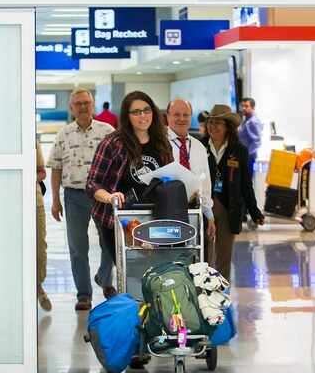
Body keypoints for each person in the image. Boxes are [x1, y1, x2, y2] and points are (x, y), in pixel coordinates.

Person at [86, 91, 174, 270]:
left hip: (156, 217)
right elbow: (92, 183)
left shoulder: (162, 143)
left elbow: (170, 175)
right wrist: (111, 197)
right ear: (127, 116)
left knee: (156, 272)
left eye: (146, 110)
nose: (143, 116)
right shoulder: (113, 143)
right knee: (130, 273)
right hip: (120, 220)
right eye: (136, 112)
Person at [48, 88, 116, 311]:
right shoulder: (63, 135)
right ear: (71, 108)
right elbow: (56, 168)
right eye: (78, 103)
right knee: (78, 248)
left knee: (109, 243)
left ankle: (105, 280)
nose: (83, 106)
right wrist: (56, 200)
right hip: (74, 196)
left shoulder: (108, 132)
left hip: (103, 196)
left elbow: (119, 165)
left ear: (93, 105)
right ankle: (84, 295)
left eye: (87, 102)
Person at [201, 104, 265, 281]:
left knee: (224, 256)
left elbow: (246, 184)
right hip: (203, 207)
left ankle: (221, 295)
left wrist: (254, 211)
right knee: (204, 254)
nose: (213, 126)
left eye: (218, 123)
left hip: (229, 208)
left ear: (228, 126)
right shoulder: (199, 146)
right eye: (210, 122)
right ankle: (203, 294)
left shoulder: (239, 150)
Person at [166, 98, 217, 241]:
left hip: (194, 211)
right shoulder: (159, 144)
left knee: (194, 258)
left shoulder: (198, 147)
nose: (181, 119)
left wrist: (209, 215)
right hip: (167, 211)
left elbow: (205, 183)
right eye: (176, 114)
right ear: (167, 116)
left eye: (186, 115)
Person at [35, 139, 51, 312]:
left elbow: (41, 172)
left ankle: (38, 286)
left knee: (39, 247)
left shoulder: (32, 141)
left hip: (34, 201)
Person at [239, 97, 264, 173]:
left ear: (253, 107)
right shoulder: (247, 120)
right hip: (244, 156)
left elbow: (257, 141)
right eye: (242, 106)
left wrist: (247, 154)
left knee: (247, 181)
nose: (243, 108)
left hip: (248, 157)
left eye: (246, 106)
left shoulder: (252, 122)